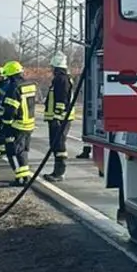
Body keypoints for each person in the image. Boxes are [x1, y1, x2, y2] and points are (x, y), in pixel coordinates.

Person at [0, 60, 38, 186]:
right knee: (23, 151)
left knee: (12, 151)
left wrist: (5, 125)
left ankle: (20, 178)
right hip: (29, 123)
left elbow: (10, 110)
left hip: (17, 125)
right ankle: (24, 176)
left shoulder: (14, 88)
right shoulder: (30, 84)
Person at [43, 52, 76, 181]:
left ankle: (59, 173)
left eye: (52, 67)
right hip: (58, 118)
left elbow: (61, 100)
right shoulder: (61, 79)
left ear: (56, 67)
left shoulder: (61, 79)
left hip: (60, 119)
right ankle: (57, 171)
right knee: (55, 144)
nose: (51, 69)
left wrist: (56, 116)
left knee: (59, 145)